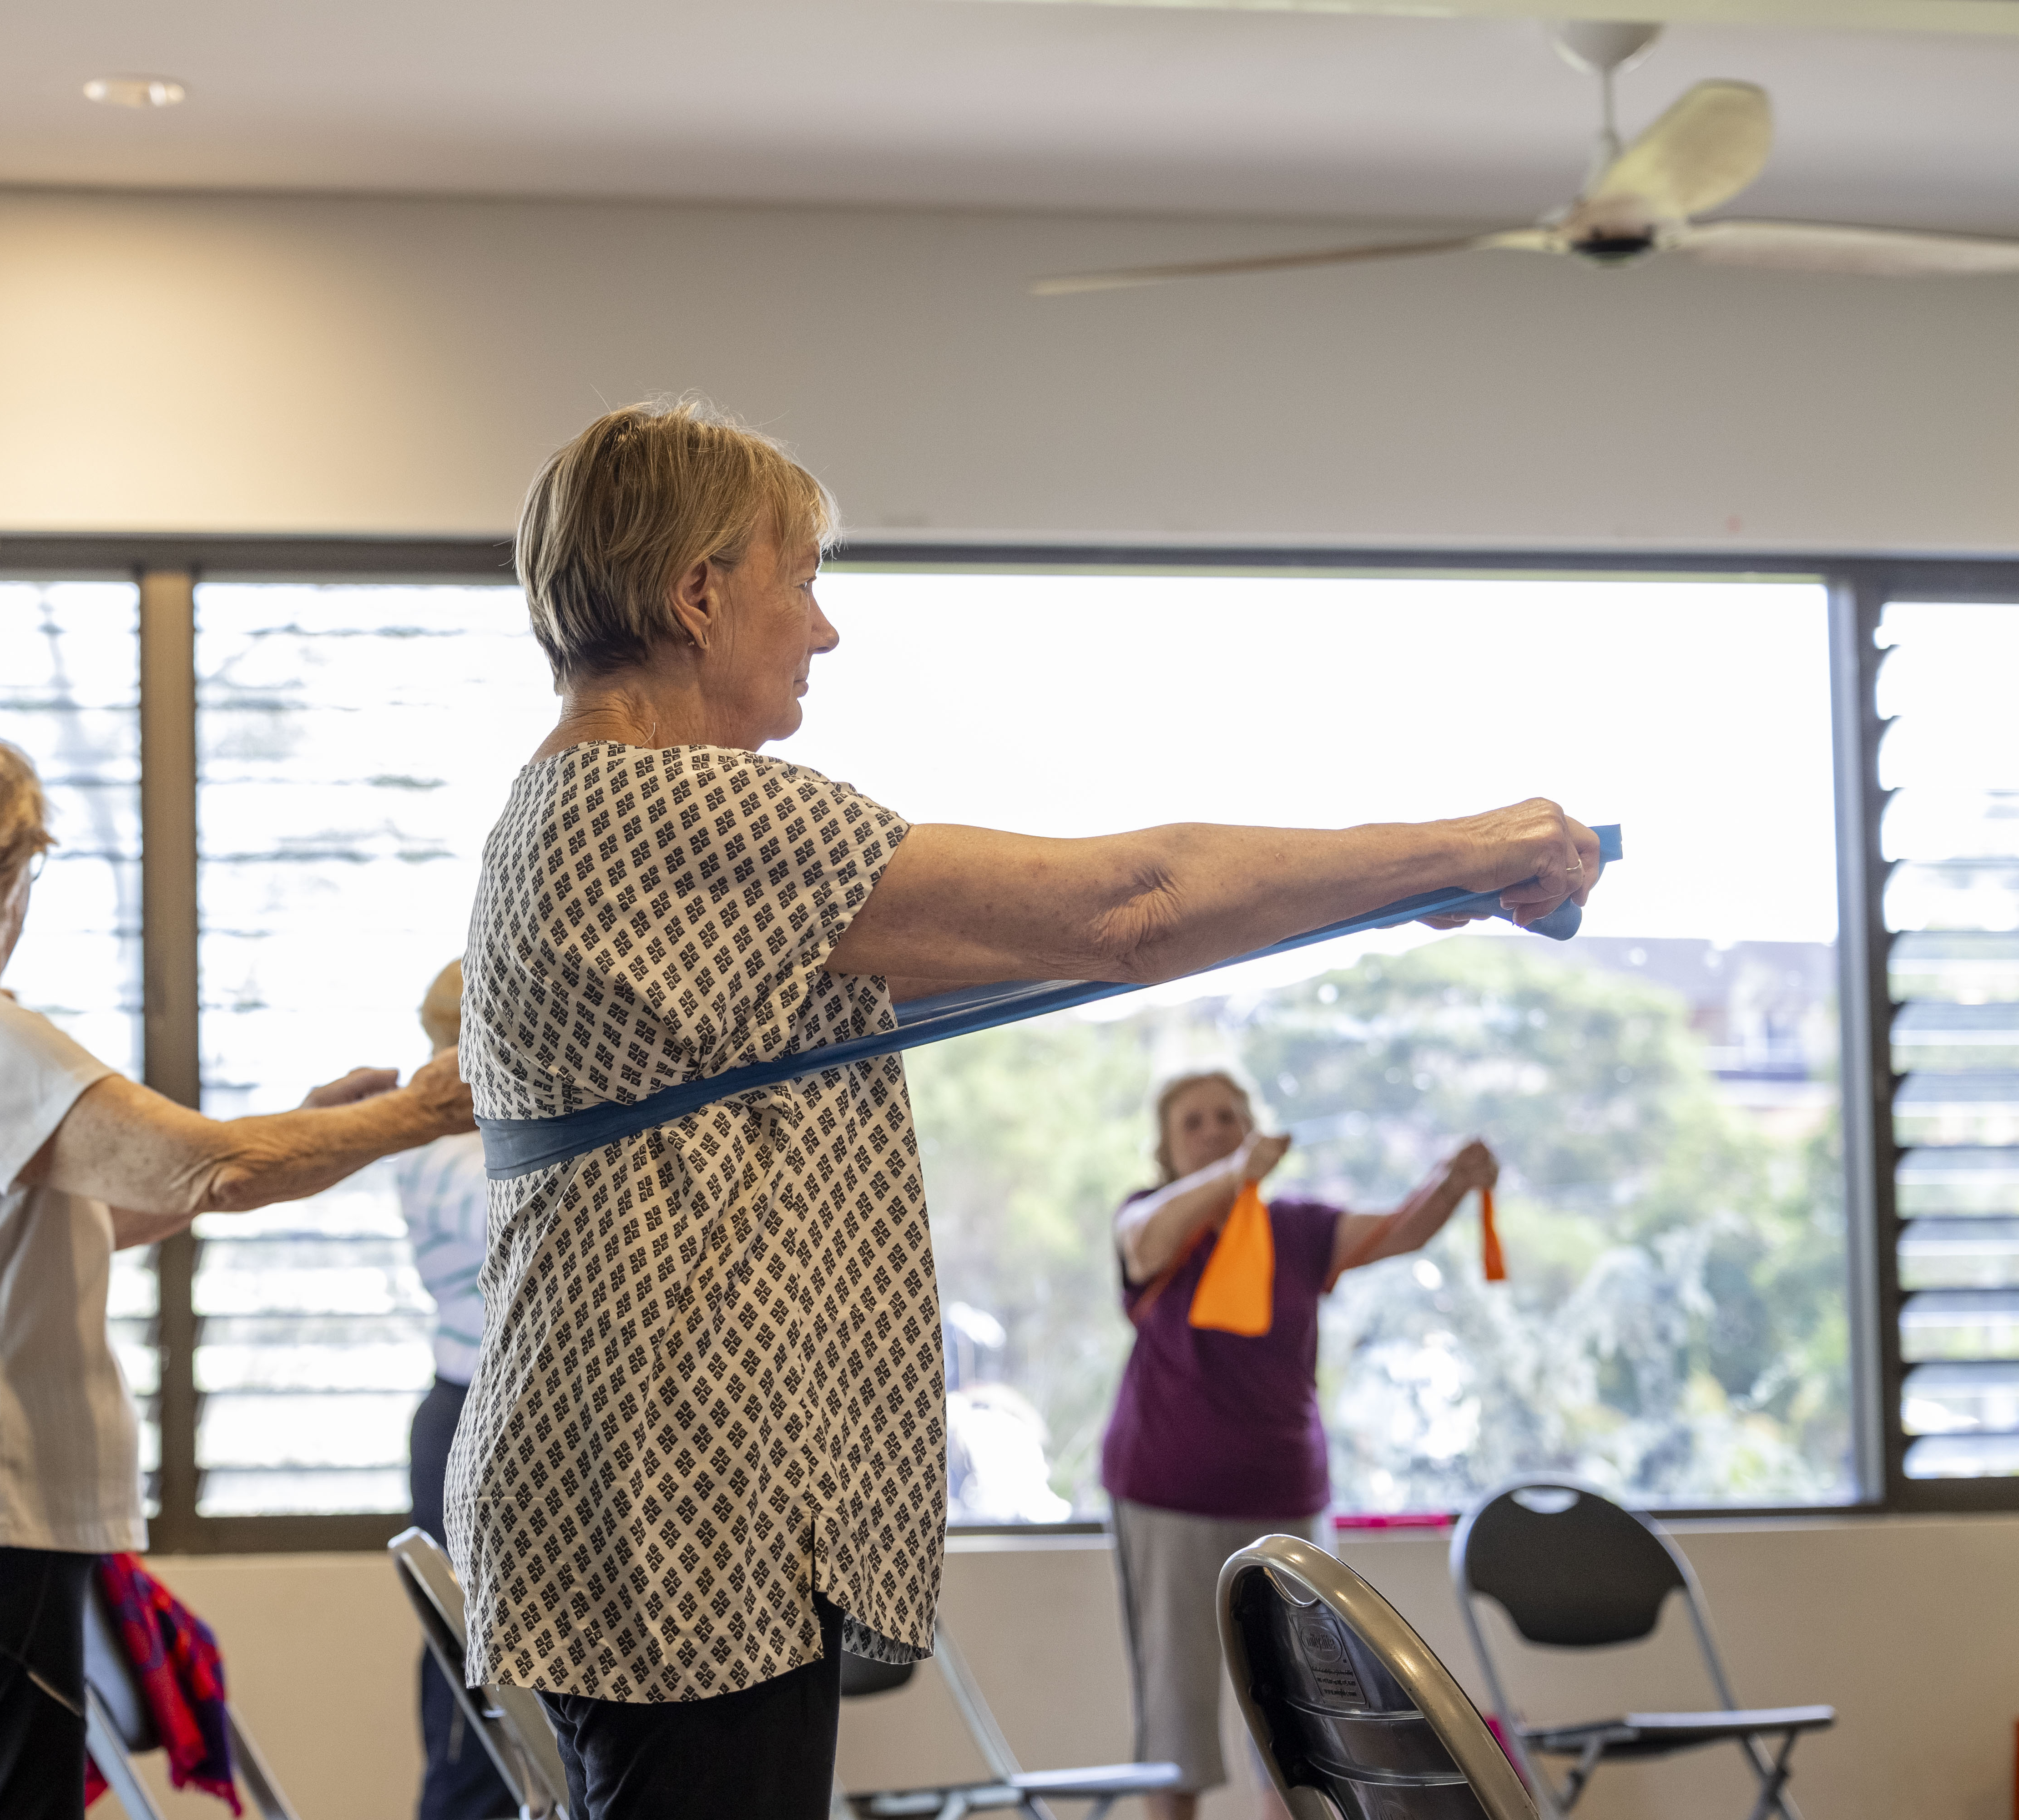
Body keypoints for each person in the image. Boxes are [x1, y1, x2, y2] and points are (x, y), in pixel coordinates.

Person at [445, 398, 1601, 1820]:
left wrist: (1391, 897)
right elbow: (1133, 907)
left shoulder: (585, 816)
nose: (824, 628)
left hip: (650, 1483)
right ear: (698, 595)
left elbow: (1045, 951)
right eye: (799, 577)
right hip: (678, 1497)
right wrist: (1469, 845)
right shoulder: (672, 805)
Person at [0, 725, 475, 1820]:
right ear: (3, 872)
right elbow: (209, 1168)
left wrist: (316, 1127)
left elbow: (103, 1210)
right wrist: (424, 1110)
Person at [1103, 1071, 1497, 1820]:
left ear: (1253, 1125)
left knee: (1305, 1720)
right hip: (1165, 1494)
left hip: (1286, 1497)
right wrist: (1233, 1175)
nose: (1214, 1129)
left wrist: (1453, 1181)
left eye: (1229, 1116)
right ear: (1165, 1148)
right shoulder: (1151, 1218)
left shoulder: (1298, 1230)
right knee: (1175, 1716)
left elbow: (1401, 1229)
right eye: (1194, 1122)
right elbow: (1144, 1244)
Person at [394, 960, 520, 1820]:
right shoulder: (446, 1156)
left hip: (507, 1414)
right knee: (475, 1694)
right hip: (470, 1413)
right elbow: (525, 1217)